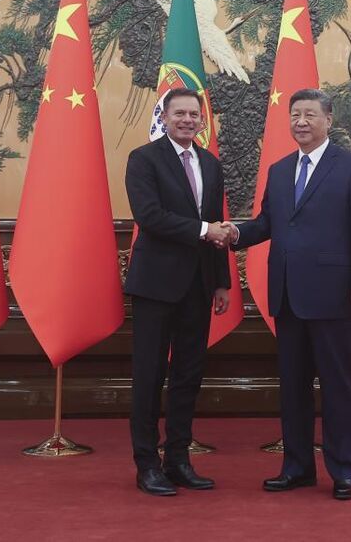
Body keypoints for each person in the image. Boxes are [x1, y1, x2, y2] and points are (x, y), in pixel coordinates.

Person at [228, 88, 351, 500]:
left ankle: (344, 471)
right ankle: (296, 468)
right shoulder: (278, 170)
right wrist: (235, 233)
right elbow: (267, 224)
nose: (301, 122)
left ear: (329, 120)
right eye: (295, 115)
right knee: (292, 387)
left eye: (310, 115)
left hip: (333, 294)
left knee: (337, 386)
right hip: (288, 295)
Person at [124, 87, 232, 497]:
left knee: (188, 374)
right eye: (179, 114)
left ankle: (179, 459)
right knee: (149, 376)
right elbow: (150, 217)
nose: (187, 120)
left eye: (194, 114)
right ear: (164, 118)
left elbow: (216, 221)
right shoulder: (144, 159)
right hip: (155, 285)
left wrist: (221, 280)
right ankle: (147, 464)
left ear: (202, 121)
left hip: (199, 285)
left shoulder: (210, 163)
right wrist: (205, 230)